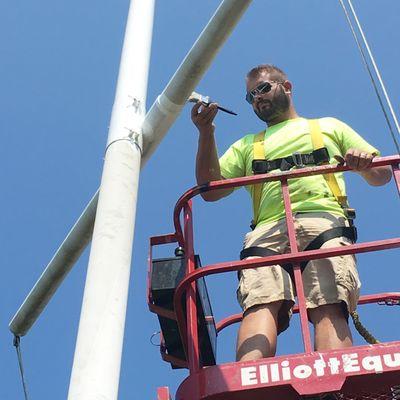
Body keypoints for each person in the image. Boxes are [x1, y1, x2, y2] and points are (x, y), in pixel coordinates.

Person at [191, 64, 392, 364]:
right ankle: (250, 385)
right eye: (250, 97)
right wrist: (206, 132)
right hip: (267, 232)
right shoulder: (248, 145)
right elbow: (210, 190)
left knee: (330, 302)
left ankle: (332, 386)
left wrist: (364, 163)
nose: (257, 99)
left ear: (286, 86)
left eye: (262, 89)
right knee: (259, 302)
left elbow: (383, 174)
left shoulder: (328, 127)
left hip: (323, 222)